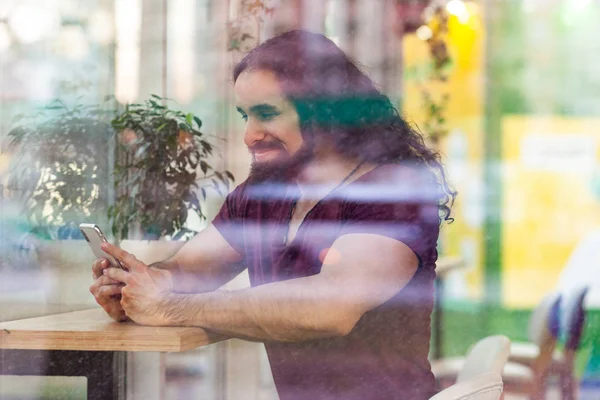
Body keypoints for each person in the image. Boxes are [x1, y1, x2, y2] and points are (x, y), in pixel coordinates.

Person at [90, 30, 456, 400]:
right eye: (245, 116)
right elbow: (191, 270)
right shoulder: (262, 195)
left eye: (266, 114)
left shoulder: (393, 190)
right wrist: (137, 288)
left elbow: (332, 306)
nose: (250, 136)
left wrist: (169, 307)